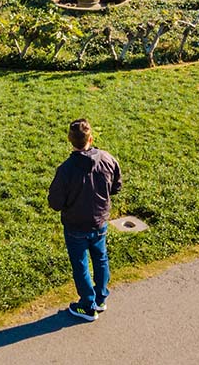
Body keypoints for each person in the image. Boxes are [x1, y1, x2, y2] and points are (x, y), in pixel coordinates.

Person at [47, 118, 122, 322]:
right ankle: (100, 298)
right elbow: (116, 186)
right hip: (99, 222)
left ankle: (87, 306)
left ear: (70, 140)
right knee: (101, 258)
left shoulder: (65, 170)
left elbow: (55, 202)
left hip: (75, 226)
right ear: (91, 137)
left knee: (80, 264)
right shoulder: (107, 159)